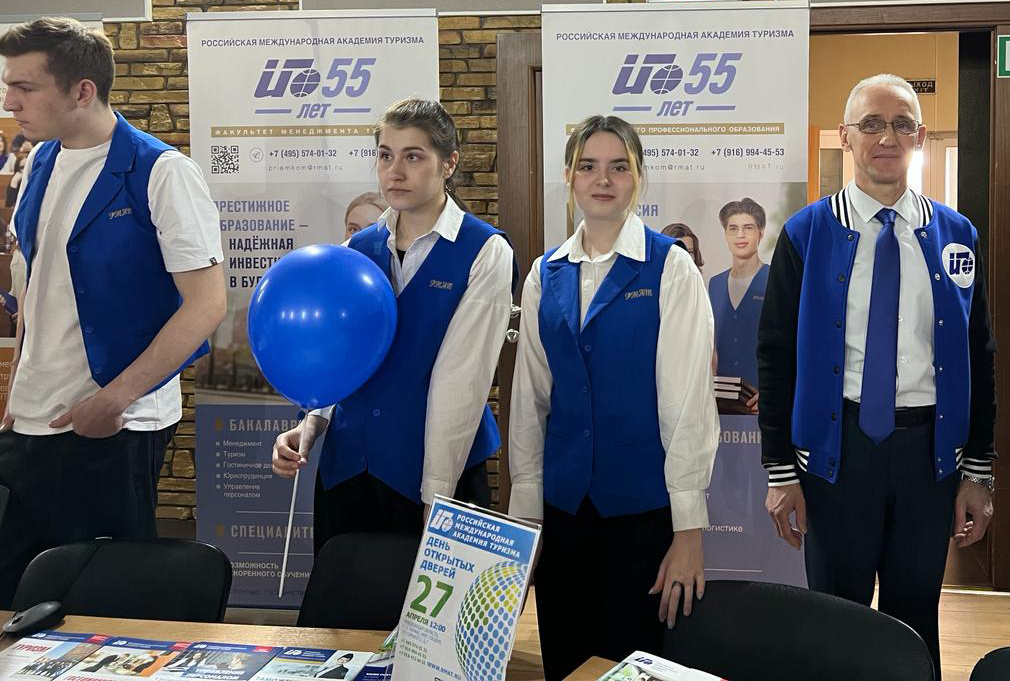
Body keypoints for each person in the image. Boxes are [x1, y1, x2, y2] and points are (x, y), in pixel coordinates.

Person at [758, 74, 996, 680]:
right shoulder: (805, 233)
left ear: (919, 136)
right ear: (846, 136)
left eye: (901, 124)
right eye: (871, 124)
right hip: (837, 454)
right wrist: (780, 471)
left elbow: (980, 354)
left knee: (914, 619)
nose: (886, 137)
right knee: (836, 619)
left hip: (929, 458)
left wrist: (978, 471)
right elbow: (776, 355)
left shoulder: (956, 234)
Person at [0, 17, 226, 608]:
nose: (9, 101)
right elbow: (36, 287)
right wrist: (17, 387)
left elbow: (207, 303)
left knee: (102, 606)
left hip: (113, 425)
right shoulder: (39, 163)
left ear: (82, 90)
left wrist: (115, 398)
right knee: (16, 599)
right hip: (30, 419)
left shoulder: (162, 172)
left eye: (24, 87)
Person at [508, 115, 719, 680]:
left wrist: (688, 532)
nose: (603, 180)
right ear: (569, 176)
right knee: (566, 661)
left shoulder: (670, 267)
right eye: (589, 166)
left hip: (642, 514)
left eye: (619, 167)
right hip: (563, 512)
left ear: (638, 177)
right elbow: (530, 404)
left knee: (632, 664)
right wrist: (525, 519)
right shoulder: (543, 274)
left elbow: (687, 407)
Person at [272, 98, 514, 552]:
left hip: (437, 476)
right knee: (343, 594)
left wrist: (437, 494)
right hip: (350, 469)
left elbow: (462, 380)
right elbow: (340, 357)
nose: (395, 172)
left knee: (427, 601)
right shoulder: (356, 248)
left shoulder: (485, 250)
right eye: (385, 155)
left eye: (413, 157)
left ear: (449, 163)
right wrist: (310, 425)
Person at [708, 198, 767, 413]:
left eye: (748, 228)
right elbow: (712, 346)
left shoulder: (775, 280)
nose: (740, 235)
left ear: (761, 232)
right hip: (720, 402)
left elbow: (790, 343)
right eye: (733, 229)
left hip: (761, 402)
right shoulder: (715, 284)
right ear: (725, 234)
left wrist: (773, 391)